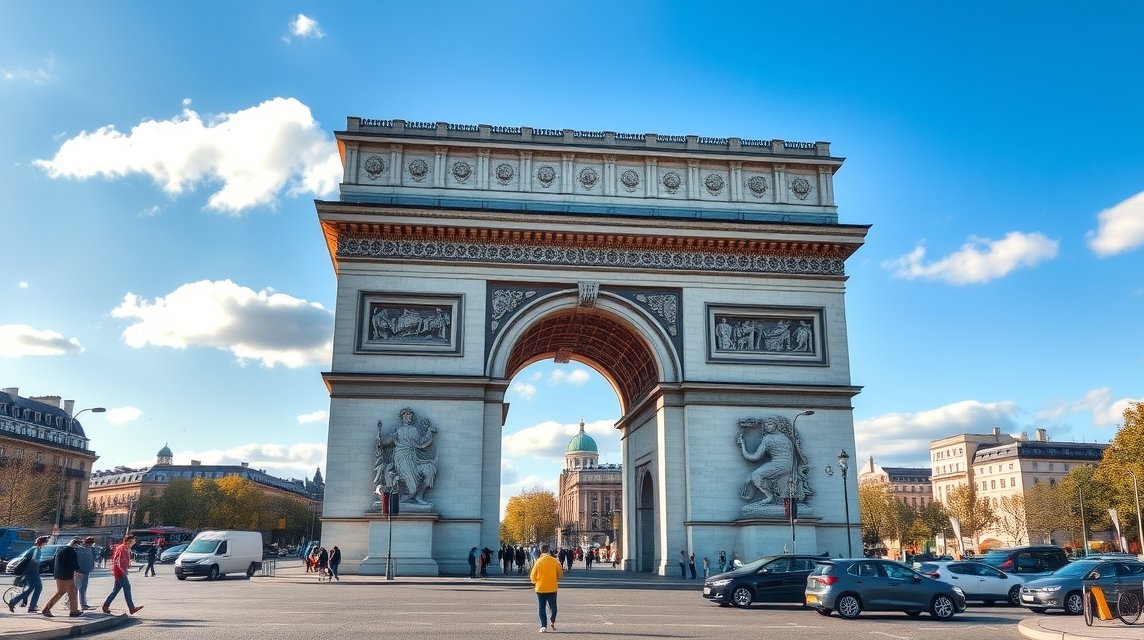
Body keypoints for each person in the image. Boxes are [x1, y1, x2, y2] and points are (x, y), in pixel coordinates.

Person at [103, 534, 143, 616]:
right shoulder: (123, 549)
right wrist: (123, 571)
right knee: (127, 587)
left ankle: (105, 606)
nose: (134, 543)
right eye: (133, 541)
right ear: (129, 541)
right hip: (120, 572)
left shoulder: (123, 548)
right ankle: (131, 608)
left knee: (115, 591)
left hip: (119, 572)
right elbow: (119, 561)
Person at [42, 537, 81, 617]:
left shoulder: (60, 550)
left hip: (59, 575)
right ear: (75, 544)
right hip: (67, 576)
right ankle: (47, 609)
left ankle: (73, 610)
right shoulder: (71, 552)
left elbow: (54, 562)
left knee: (67, 592)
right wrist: (78, 571)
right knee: (68, 592)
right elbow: (74, 565)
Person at [8, 535, 48, 613]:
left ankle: (14, 602)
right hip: (32, 572)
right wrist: (37, 571)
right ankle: (31, 607)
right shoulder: (36, 549)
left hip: (30, 572)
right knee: (38, 587)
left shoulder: (34, 549)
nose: (46, 544)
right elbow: (33, 562)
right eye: (45, 543)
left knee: (31, 589)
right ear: (42, 543)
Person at [529, 544, 564, 633]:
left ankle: (543, 626)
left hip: (540, 588)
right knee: (553, 607)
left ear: (541, 551)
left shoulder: (538, 561)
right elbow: (560, 573)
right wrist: (555, 578)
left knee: (541, 607)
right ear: (549, 551)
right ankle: (552, 618)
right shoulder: (554, 561)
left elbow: (532, 575)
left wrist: (535, 582)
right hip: (552, 587)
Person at [75, 537, 96, 610]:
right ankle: (68, 603)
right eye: (91, 543)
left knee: (83, 589)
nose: (91, 545)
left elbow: (92, 559)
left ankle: (84, 604)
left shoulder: (89, 549)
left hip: (86, 571)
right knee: (75, 588)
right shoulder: (79, 549)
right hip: (79, 572)